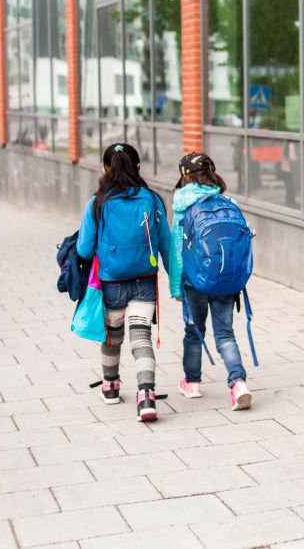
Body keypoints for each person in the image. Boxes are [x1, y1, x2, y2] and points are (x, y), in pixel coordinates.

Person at [77, 143, 172, 422]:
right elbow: (166, 244)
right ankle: (146, 397)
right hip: (144, 278)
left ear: (106, 168)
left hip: (111, 281)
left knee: (112, 336)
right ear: (138, 167)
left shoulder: (97, 202)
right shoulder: (152, 199)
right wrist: (177, 283)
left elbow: (83, 250)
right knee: (140, 337)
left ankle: (110, 387)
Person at [170, 152, 253, 411]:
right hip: (226, 280)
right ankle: (238, 383)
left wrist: (176, 287)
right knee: (225, 334)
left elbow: (176, 251)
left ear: (184, 176)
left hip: (195, 282)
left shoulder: (183, 207)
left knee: (194, 332)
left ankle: (192, 383)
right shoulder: (228, 202)